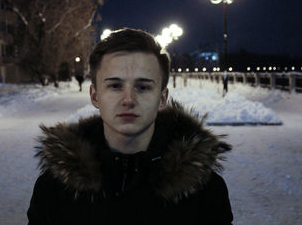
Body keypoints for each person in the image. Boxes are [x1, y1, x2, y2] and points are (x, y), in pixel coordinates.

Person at [27, 28, 233, 224]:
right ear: (95, 96)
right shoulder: (55, 187)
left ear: (162, 99)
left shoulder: (204, 189)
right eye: (115, 86)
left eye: (143, 87)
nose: (128, 100)